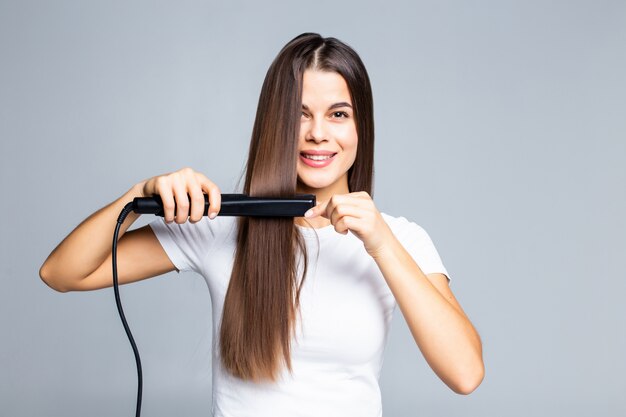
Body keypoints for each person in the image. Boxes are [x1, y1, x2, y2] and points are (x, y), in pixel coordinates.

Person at [40, 33, 484, 416]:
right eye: (300, 113)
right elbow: (61, 273)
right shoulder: (221, 227)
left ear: (360, 127)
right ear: (276, 123)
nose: (317, 133)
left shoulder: (401, 239)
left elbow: (465, 373)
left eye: (338, 114)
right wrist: (138, 196)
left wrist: (382, 245)